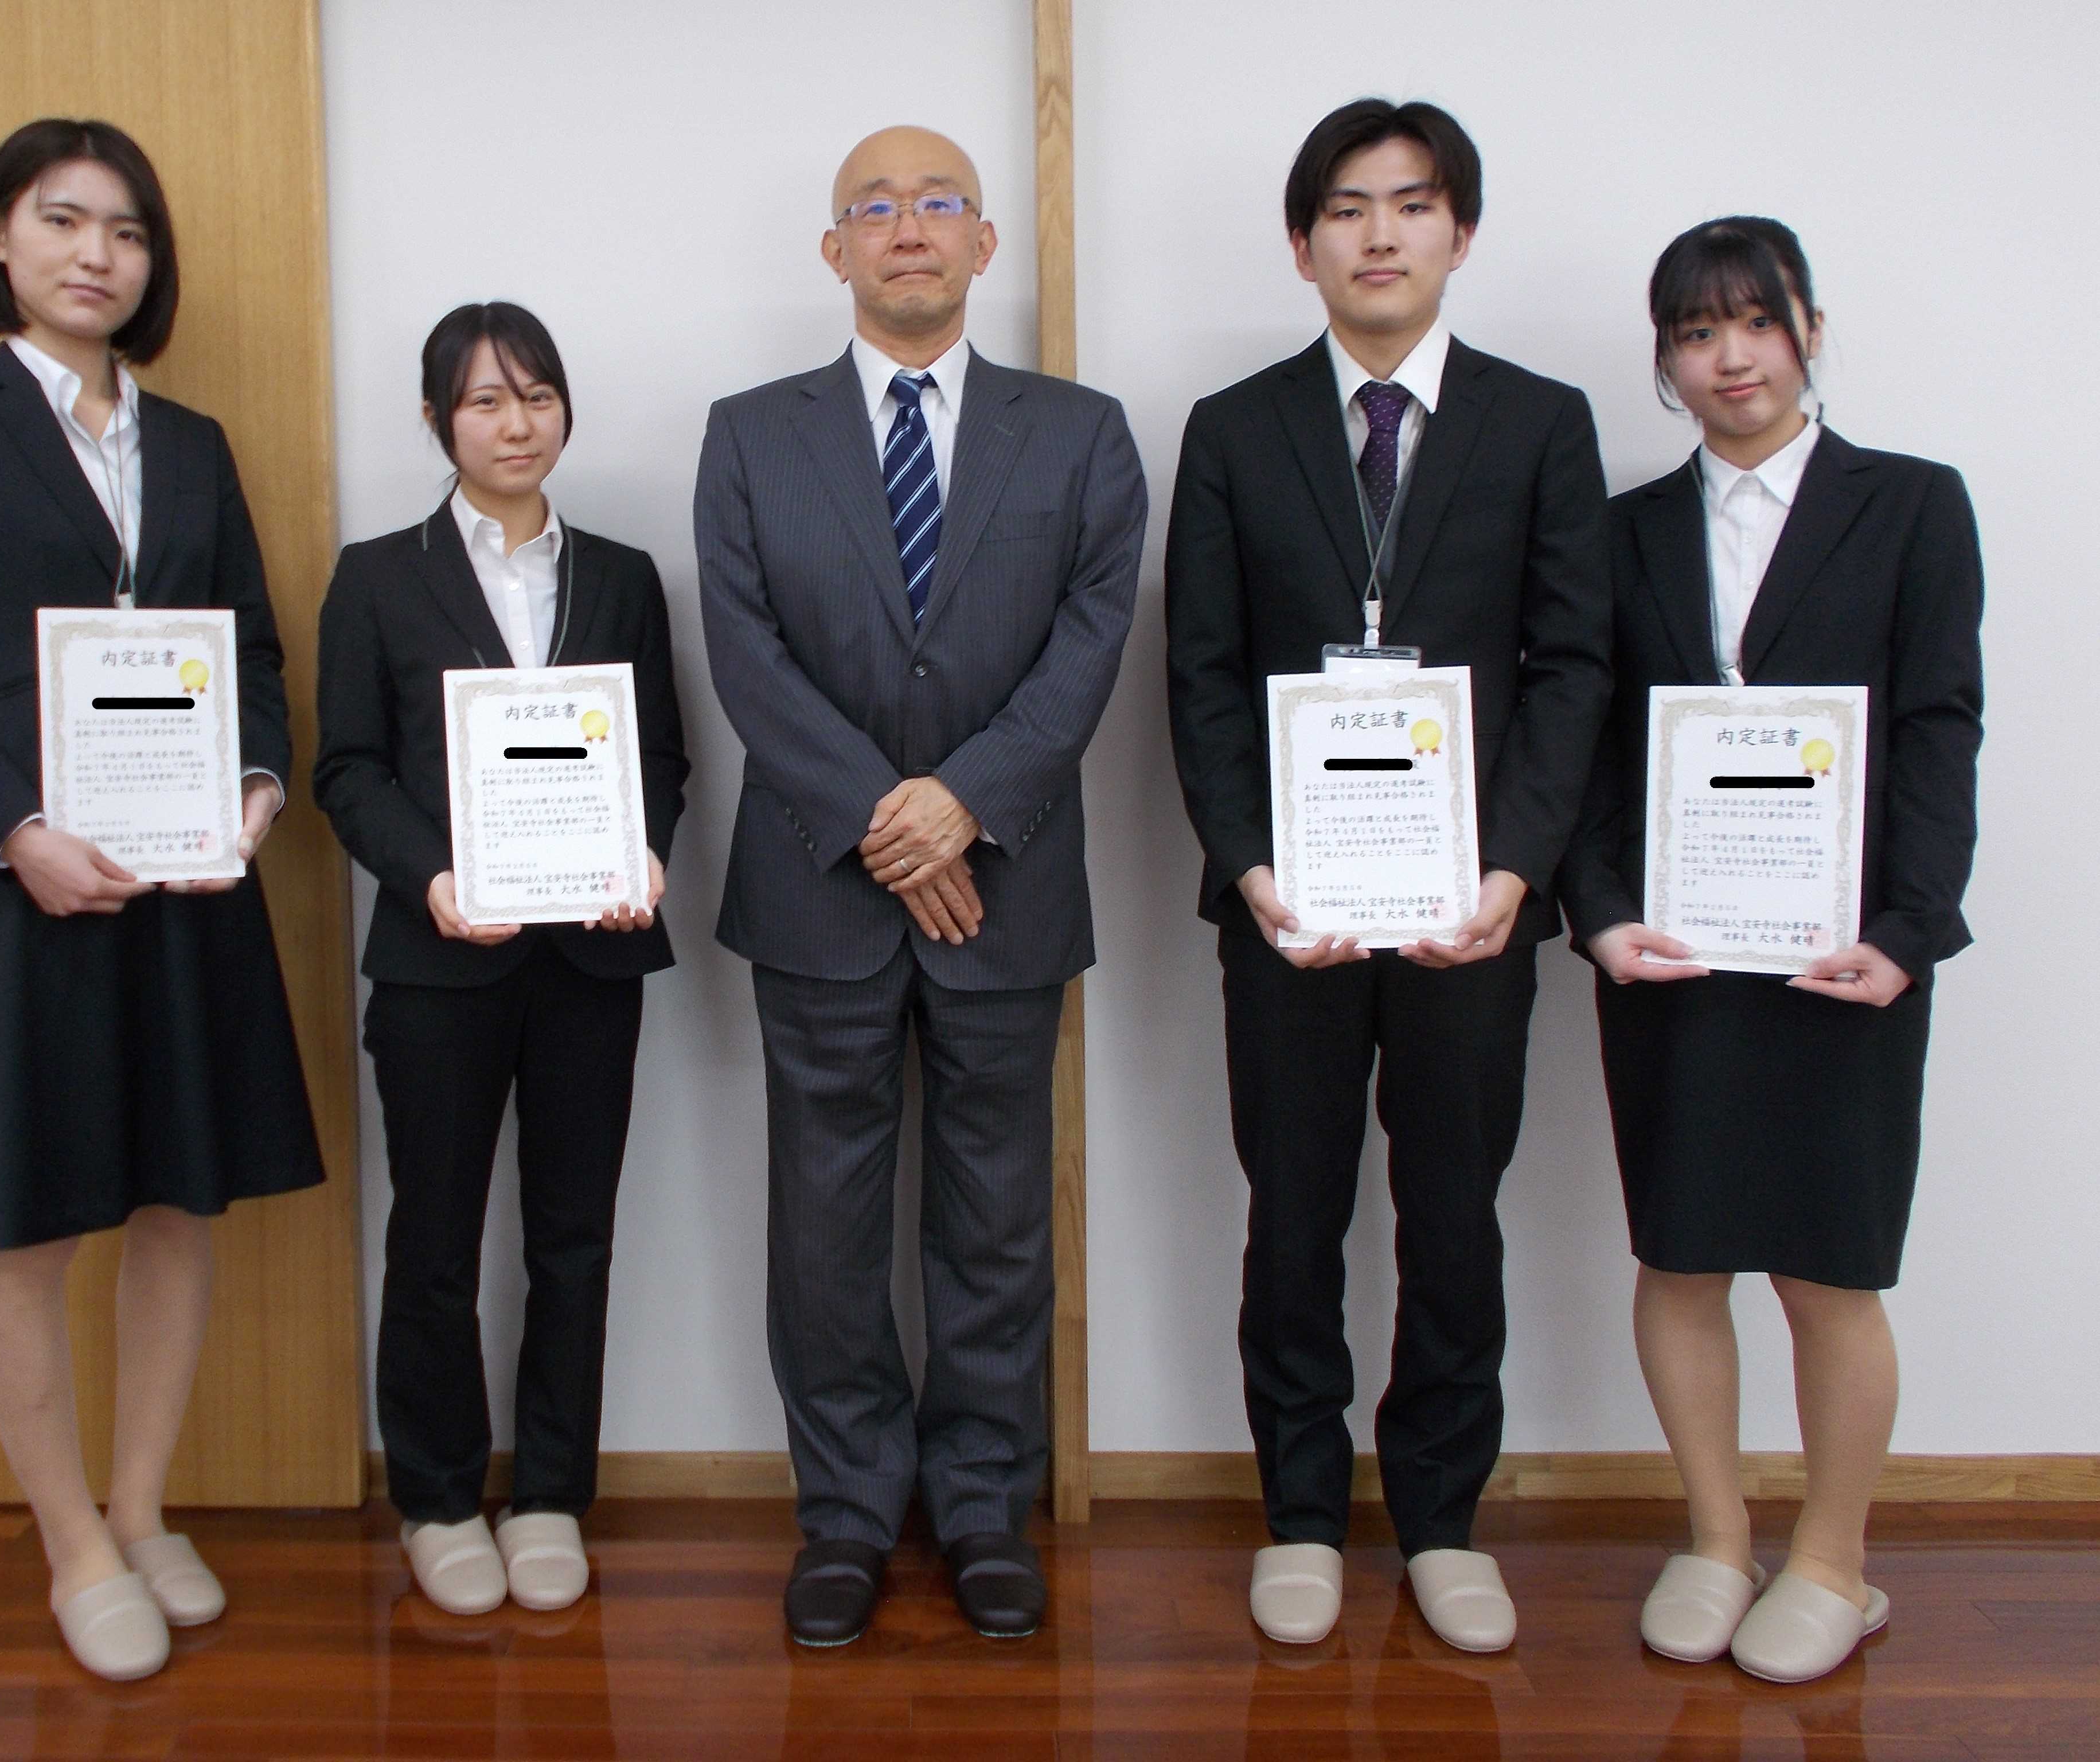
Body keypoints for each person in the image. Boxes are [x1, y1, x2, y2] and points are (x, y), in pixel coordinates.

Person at [0, 118, 325, 1682]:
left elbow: (249, 649)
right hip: (31, 884)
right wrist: (14, 830)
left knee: (178, 1197)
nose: (95, 256)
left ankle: (139, 1505)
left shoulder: (187, 442)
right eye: (62, 223)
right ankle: (68, 1540)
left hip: (189, 880)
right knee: (31, 1219)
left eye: (123, 231)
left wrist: (258, 785)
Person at [1165, 99, 1612, 1652]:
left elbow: (1570, 665)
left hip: (1467, 911)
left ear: (1458, 234)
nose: (1376, 235)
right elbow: (1203, 676)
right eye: (1344, 210)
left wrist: (1516, 867)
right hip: (1286, 913)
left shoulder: (1539, 421)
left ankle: (1437, 1515)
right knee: (1288, 1208)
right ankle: (1297, 1510)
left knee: (1452, 1208)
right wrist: (1248, 863)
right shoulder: (1230, 427)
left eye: (1410, 207)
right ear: (1300, 244)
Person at [695, 126, 1143, 1646]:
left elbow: (1087, 642)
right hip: (820, 890)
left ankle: (976, 1508)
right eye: (870, 209)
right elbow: (745, 655)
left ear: (983, 243)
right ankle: (839, 1515)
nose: (905, 228)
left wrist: (962, 807)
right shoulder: (748, 435)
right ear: (832, 251)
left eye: (935, 202)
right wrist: (892, 824)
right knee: (822, 1226)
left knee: (996, 1219)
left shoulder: (1078, 436)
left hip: (1005, 886)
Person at [1558, 217, 1981, 1683]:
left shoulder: (1914, 506)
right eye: (1692, 332)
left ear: (1807, 326)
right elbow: (1586, 746)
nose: (1727, 356)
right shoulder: (1618, 532)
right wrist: (1598, 913)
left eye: (1753, 321)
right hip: (1672, 954)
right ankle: (1719, 1538)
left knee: (1826, 1272)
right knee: (1680, 1256)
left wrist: (1907, 934)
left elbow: (1938, 729)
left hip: (1837, 960)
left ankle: (1833, 1560)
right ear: (1665, 361)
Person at [314, 302, 688, 1618]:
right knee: (434, 1236)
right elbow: (347, 769)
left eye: (537, 394)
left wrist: (644, 855)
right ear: (436, 422)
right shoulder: (376, 575)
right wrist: (432, 878)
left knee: (572, 1238)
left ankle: (550, 1496)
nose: (515, 422)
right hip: (439, 964)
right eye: (483, 401)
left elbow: (662, 762)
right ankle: (432, 1495)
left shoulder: (626, 576)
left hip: (589, 958)